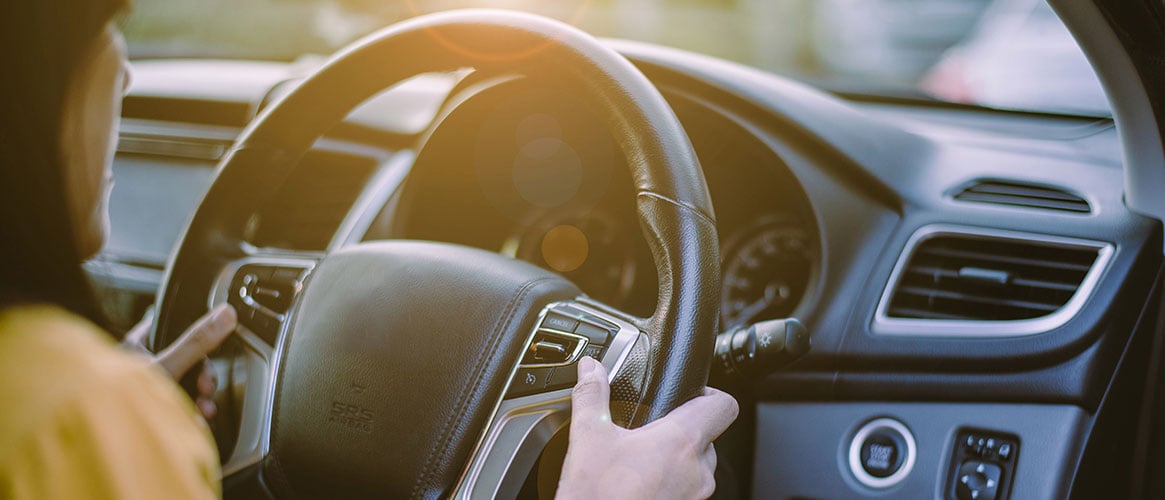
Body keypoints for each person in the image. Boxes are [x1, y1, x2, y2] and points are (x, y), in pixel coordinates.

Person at [0, 1, 739, 499]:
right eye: (106, 22)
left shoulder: (67, 412)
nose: (125, 70)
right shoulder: (74, 419)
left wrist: (129, 420)